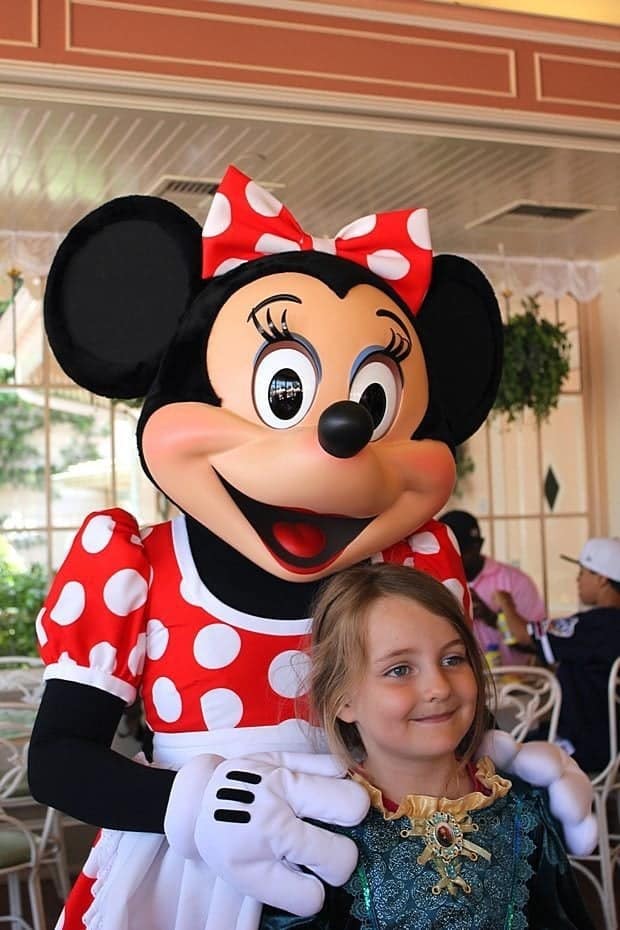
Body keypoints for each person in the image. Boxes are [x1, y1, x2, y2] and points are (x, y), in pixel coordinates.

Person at [28, 165, 594, 930]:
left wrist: (500, 761)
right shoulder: (135, 562)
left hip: (390, 870)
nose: (340, 432)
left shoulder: (413, 558)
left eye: (373, 401)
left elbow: (420, 706)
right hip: (197, 883)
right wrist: (191, 802)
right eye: (285, 393)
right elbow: (60, 757)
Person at [261, 563, 595, 930]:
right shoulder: (318, 836)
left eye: (453, 659)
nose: (439, 687)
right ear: (342, 700)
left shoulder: (524, 810)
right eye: (399, 670)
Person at [529, 537, 620, 773]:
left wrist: (504, 603)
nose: (578, 579)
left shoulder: (594, 626)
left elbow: (523, 635)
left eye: (582, 572)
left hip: (587, 746)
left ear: (601, 578)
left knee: (500, 752)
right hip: (613, 743)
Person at [439, 509, 545, 666]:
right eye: (445, 552)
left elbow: (537, 646)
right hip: (455, 684)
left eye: (459, 551)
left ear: (477, 546)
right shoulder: (432, 584)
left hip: (511, 684)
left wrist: (493, 618)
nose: (451, 559)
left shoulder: (515, 581)